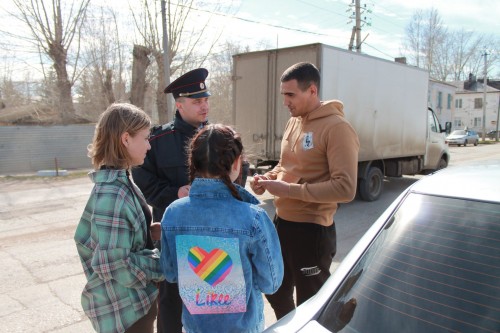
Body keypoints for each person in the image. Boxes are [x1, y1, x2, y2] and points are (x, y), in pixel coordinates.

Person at [250, 62, 360, 320]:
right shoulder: (294, 122)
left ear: (312, 90)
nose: (285, 102)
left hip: (312, 231)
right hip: (283, 223)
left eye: (291, 95)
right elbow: (284, 164)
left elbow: (345, 188)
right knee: (276, 290)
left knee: (313, 302)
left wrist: (287, 189)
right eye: (283, 95)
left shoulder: (337, 128)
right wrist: (268, 178)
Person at [160, 123, 284, 333]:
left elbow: (170, 274)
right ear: (237, 163)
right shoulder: (253, 218)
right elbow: (270, 283)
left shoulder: (173, 213)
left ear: (193, 163)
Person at [132, 68, 210, 333]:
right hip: (172, 238)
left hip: (211, 237)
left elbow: (238, 173)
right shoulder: (157, 140)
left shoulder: (217, 137)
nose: (204, 106)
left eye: (206, 100)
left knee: (212, 301)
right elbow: (142, 181)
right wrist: (175, 193)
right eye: (197, 101)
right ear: (179, 104)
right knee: (170, 304)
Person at [74, 103, 164, 333]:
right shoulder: (113, 193)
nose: (149, 146)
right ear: (126, 139)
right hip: (126, 316)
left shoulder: (121, 181)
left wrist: (145, 233)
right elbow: (112, 263)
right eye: (145, 138)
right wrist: (161, 264)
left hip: (133, 309)